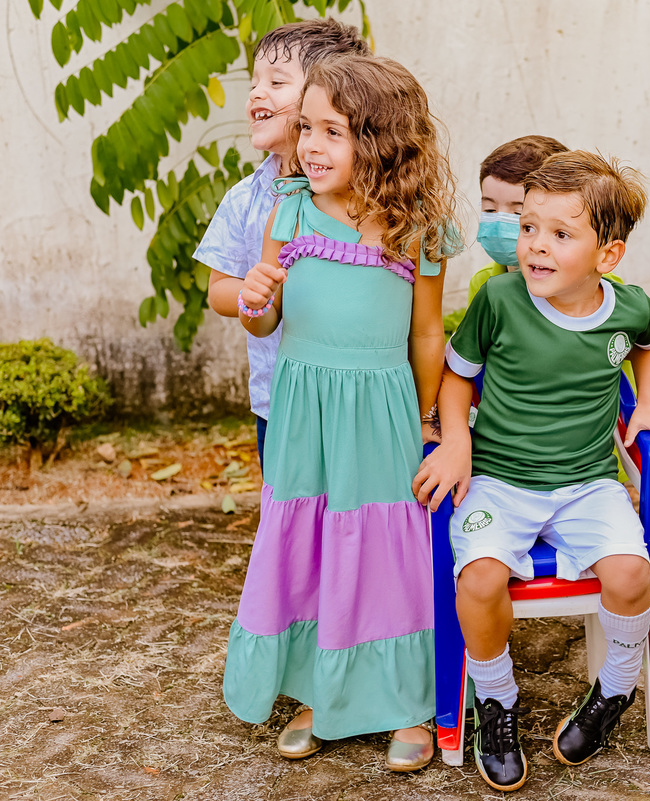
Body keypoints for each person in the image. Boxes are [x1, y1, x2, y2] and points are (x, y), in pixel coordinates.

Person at [222, 53, 460, 772]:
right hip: (304, 409)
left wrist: (428, 418)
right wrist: (257, 300)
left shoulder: (415, 226)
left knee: (385, 549)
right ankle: (318, 689)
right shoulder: (287, 209)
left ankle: (404, 696)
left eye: (334, 131)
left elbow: (426, 332)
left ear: (382, 143)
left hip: (382, 408)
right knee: (313, 544)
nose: (311, 146)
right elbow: (264, 324)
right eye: (308, 129)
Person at [415, 151, 650, 791]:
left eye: (560, 234)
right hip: (500, 482)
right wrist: (454, 440)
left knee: (631, 574)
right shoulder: (501, 300)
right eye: (529, 228)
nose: (534, 246)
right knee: (478, 580)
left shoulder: (627, 308)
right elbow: (458, 377)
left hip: (588, 484)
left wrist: (649, 405)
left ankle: (614, 689)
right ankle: (496, 701)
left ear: (606, 256)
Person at [471, 136, 650, 600]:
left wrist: (648, 403)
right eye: (490, 209)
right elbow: (467, 357)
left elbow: (637, 335)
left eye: (514, 210)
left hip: (583, 456)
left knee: (610, 536)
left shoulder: (603, 290)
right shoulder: (492, 287)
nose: (509, 228)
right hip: (512, 454)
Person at [195, 20, 370, 470]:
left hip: (361, 397)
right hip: (280, 399)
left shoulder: (369, 201)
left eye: (275, 82)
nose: (255, 93)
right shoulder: (246, 198)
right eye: (254, 82)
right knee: (289, 518)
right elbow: (218, 290)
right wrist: (253, 294)